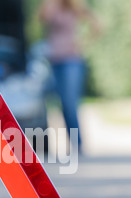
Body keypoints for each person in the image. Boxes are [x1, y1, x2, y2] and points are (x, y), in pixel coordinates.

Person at [39, 0, 101, 153]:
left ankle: (77, 143)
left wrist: (83, 42)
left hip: (72, 60)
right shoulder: (52, 6)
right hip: (54, 60)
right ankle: (69, 143)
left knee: (70, 102)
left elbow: (97, 24)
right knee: (60, 103)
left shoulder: (75, 7)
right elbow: (42, 17)